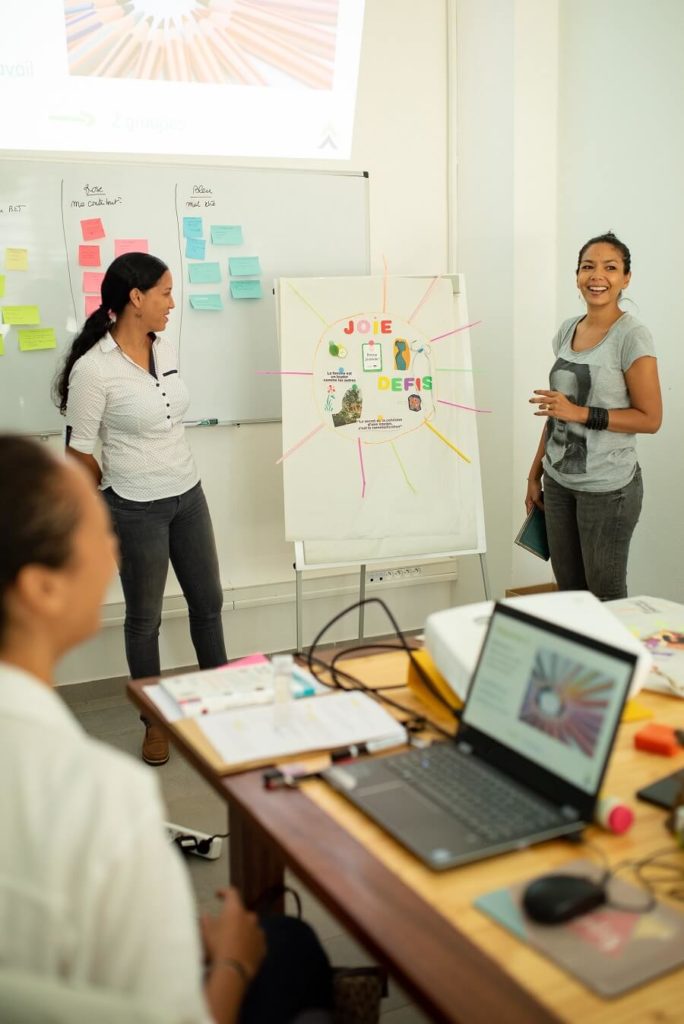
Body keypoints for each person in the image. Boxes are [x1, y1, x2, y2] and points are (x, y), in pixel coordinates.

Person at [0, 435, 333, 1024]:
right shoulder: (97, 794)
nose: (113, 549)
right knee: (291, 947)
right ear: (41, 589)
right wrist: (231, 958)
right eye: (95, 531)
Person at [54, 252, 227, 765]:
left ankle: (224, 709)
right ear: (136, 298)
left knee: (208, 605)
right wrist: (112, 493)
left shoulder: (165, 344)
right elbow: (78, 451)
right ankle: (154, 723)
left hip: (189, 495)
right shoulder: (94, 370)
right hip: (136, 509)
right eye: (165, 293)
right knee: (144, 620)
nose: (172, 304)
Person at [526, 232, 662, 601]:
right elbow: (556, 411)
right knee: (570, 596)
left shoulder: (632, 336)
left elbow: (650, 418)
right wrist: (535, 472)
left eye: (610, 268)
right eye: (588, 267)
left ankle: (615, 660)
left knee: (606, 598)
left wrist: (581, 413)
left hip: (607, 490)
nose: (596, 276)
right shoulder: (568, 329)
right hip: (557, 483)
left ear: (626, 278)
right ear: (577, 275)